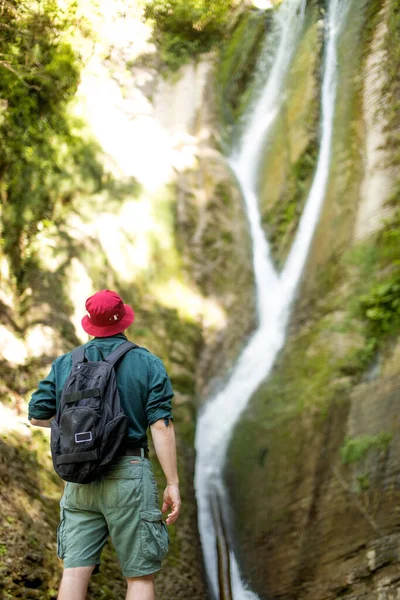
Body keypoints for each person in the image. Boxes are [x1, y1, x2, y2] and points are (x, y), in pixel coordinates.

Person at [28, 289, 181, 600]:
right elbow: (161, 426)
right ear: (124, 320)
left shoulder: (65, 363)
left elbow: (37, 416)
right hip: (129, 475)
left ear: (89, 324)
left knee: (74, 572)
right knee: (140, 577)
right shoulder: (146, 363)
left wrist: (76, 429)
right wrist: (173, 483)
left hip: (80, 476)